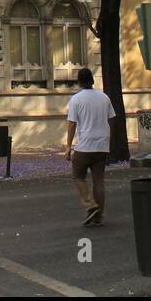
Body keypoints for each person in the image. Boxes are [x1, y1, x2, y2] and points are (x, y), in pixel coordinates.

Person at [64, 67, 116, 226]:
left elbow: (72, 124)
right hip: (102, 145)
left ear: (79, 81)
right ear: (92, 80)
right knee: (98, 180)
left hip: (85, 145)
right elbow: (111, 119)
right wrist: (108, 139)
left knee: (78, 176)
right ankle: (98, 216)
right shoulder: (104, 97)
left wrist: (68, 146)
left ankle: (90, 204)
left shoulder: (76, 99)